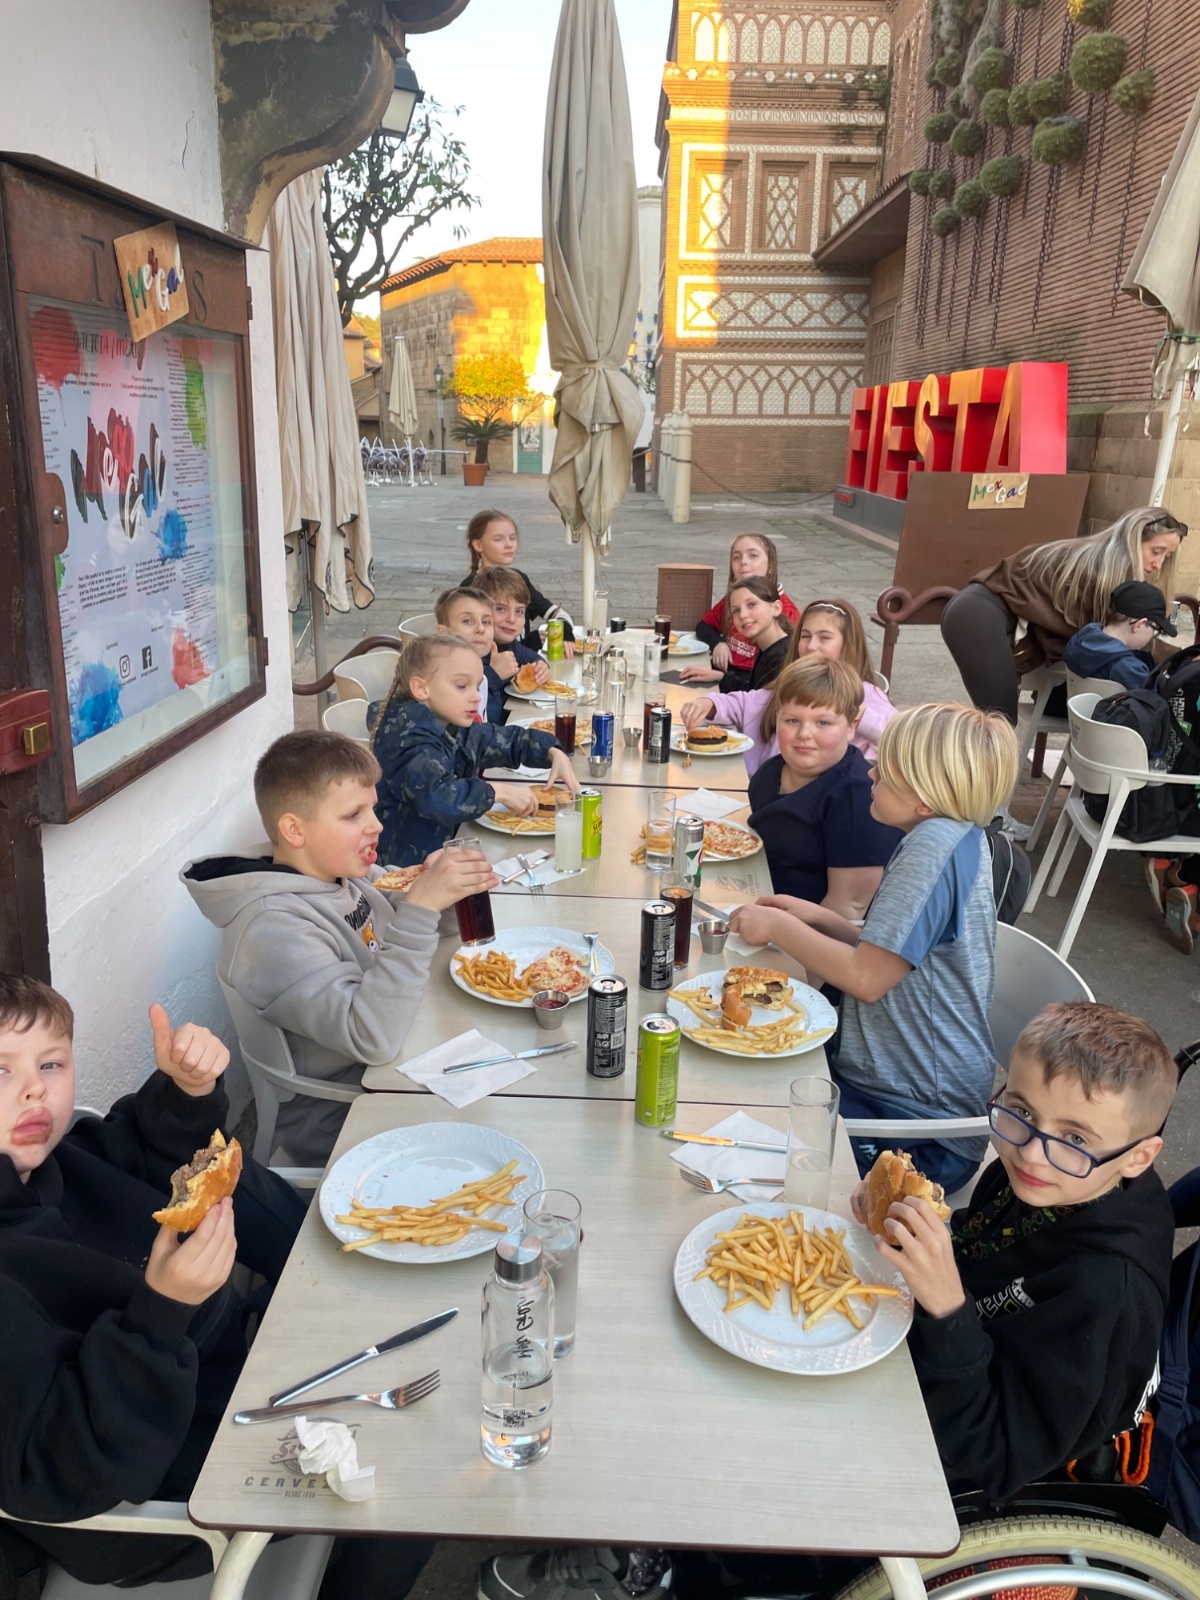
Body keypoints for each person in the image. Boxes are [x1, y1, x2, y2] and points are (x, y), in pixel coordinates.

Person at [0, 973, 433, 1600]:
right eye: (2, 1070)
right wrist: (162, 1310)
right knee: (421, 1465)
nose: (35, 1087)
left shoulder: (62, 1159)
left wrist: (188, 1092)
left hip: (226, 1383)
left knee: (416, 1357)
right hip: (164, 1496)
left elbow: (148, 1148)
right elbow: (62, 1469)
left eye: (50, 1063)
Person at [854, 1001, 1176, 1500]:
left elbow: (997, 1455)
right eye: (1022, 1111)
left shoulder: (1105, 1294)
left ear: (1137, 1158)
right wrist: (908, 1224)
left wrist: (947, 1307)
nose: (1029, 1152)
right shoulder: (1045, 1177)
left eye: (1074, 1137)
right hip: (936, 1364)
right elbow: (978, 1242)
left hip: (973, 1461)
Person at [730, 703, 1020, 1192]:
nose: (870, 773)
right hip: (892, 1090)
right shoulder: (954, 835)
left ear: (925, 798)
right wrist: (821, 919)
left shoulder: (931, 849)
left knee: (743, 1136)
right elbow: (900, 956)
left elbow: (867, 979)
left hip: (919, 1128)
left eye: (886, 770)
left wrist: (778, 928)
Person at [184, 730, 497, 1164]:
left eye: (372, 808)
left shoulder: (340, 874)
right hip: (345, 1110)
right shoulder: (272, 930)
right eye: (352, 815)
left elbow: (411, 922)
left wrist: (443, 894)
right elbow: (372, 1038)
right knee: (505, 1122)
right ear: (294, 830)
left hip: (399, 1058)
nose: (376, 825)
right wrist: (422, 907)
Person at [941, 507, 1186, 725]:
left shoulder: (1094, 559)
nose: (1158, 564)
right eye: (1156, 551)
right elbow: (1109, 644)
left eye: (1166, 557)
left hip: (975, 612)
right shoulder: (1102, 574)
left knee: (996, 725)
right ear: (1133, 540)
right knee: (998, 725)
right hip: (977, 617)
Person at [370, 633, 578, 865]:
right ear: (421, 689)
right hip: (407, 870)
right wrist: (499, 792)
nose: (476, 697)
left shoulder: (449, 724)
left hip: (446, 854)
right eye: (462, 686)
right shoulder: (408, 740)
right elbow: (439, 797)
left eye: (478, 687)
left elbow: (500, 739)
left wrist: (552, 751)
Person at [747, 658, 901, 917]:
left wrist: (779, 931)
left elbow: (849, 908)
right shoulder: (768, 774)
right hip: (758, 902)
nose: (804, 734)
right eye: (792, 720)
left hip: (804, 931)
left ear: (851, 727)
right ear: (777, 717)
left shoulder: (858, 799)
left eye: (823, 723)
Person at [680, 597, 897, 774]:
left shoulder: (867, 695)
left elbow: (901, 737)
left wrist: (862, 716)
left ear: (848, 645)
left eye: (824, 638)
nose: (811, 646)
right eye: (805, 636)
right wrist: (709, 703)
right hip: (766, 786)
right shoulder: (792, 683)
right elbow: (746, 703)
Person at [461, 508, 575, 656]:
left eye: (513, 538)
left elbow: (555, 613)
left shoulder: (519, 579)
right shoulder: (470, 588)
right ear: (478, 545)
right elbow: (472, 645)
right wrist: (528, 644)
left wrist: (564, 632)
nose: (509, 545)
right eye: (498, 539)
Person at [689, 533, 800, 684]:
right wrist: (718, 643)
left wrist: (723, 680)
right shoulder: (735, 599)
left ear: (771, 565)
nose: (743, 562)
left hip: (752, 682)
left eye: (753, 555)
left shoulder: (788, 614)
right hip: (726, 674)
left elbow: (766, 689)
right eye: (736, 557)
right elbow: (704, 626)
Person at [1063, 579, 1178, 690]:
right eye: (1155, 629)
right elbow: (1152, 700)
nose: (1152, 635)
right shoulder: (1129, 668)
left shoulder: (1082, 637)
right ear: (1139, 625)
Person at [473, 565, 548, 723]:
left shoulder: (508, 645)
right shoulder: (471, 651)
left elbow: (530, 656)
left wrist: (541, 665)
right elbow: (464, 696)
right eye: (501, 609)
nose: (512, 619)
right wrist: (494, 674)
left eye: (519, 611)